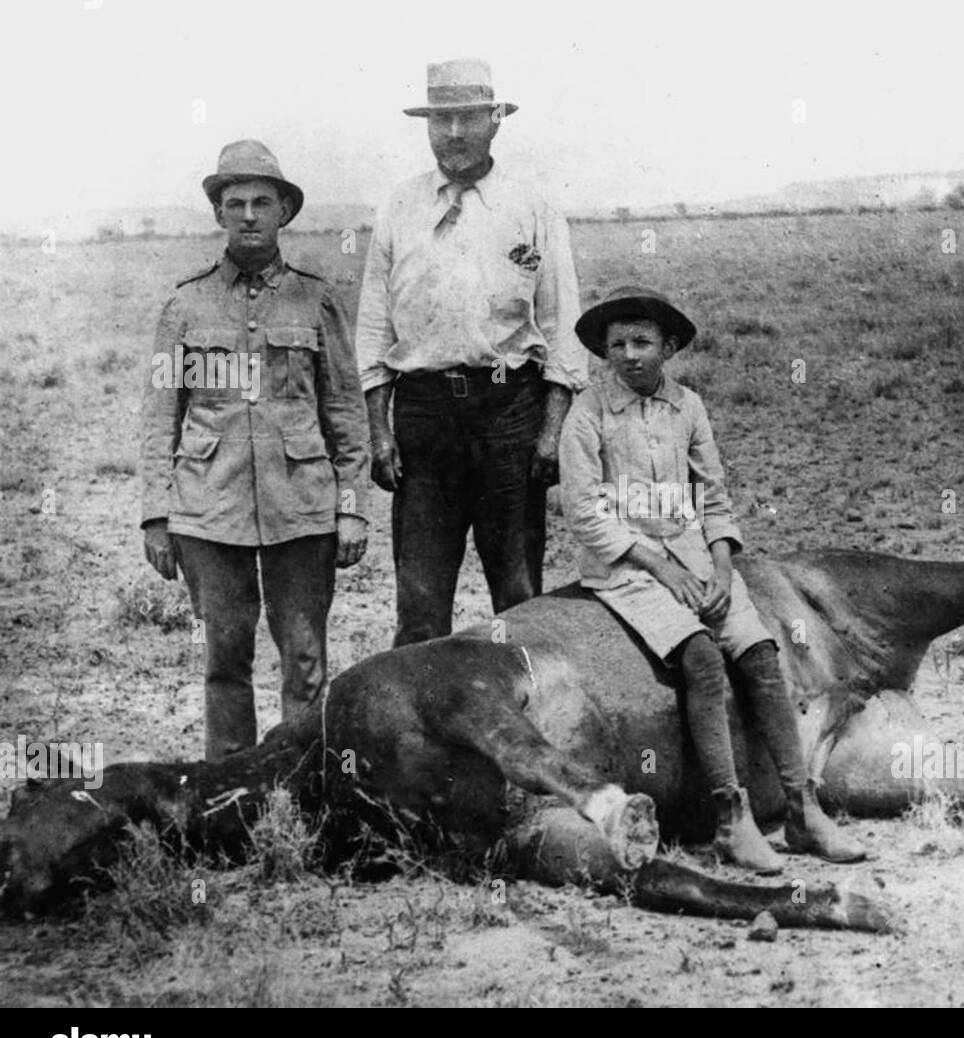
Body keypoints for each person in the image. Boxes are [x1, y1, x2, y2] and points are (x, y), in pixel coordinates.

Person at [559, 287, 866, 872]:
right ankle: (730, 817)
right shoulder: (587, 413)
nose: (629, 354)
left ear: (669, 347)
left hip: (696, 560)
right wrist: (659, 565)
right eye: (616, 344)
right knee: (701, 657)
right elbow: (584, 512)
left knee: (759, 656)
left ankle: (803, 809)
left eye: (643, 342)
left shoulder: (689, 407)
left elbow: (715, 499)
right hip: (627, 567)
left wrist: (722, 567)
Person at [140, 139, 369, 761]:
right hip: (209, 508)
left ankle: (303, 784)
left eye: (260, 202)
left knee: (304, 655)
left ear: (283, 213)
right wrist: (156, 515)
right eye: (234, 202)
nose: (247, 214)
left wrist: (351, 507)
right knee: (225, 657)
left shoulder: (316, 300)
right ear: (218, 213)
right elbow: (162, 414)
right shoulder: (184, 304)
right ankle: (229, 791)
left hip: (301, 506)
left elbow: (345, 410)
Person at [355, 58, 587, 645]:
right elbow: (374, 328)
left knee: (517, 592)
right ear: (427, 127)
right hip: (423, 418)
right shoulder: (399, 207)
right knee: (421, 595)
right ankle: (420, 729)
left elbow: (561, 324)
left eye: (467, 118)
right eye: (441, 120)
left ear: (495, 122)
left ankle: (528, 719)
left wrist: (551, 431)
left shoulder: (531, 205)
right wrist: (380, 434)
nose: (453, 133)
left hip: (510, 411)